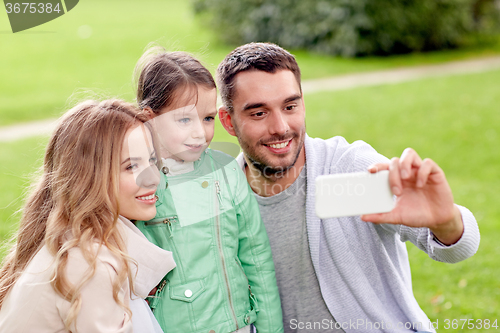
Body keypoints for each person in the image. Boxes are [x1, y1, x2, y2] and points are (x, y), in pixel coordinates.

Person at [217, 42, 480, 333]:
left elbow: (458, 249)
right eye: (258, 113)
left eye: (290, 106)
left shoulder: (348, 168)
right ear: (228, 121)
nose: (280, 127)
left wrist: (446, 222)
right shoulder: (221, 200)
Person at [133, 47, 284, 333]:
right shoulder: (138, 182)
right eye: (184, 120)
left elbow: (257, 258)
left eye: (207, 118)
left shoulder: (226, 171)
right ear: (149, 117)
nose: (201, 133)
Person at [0, 99, 176, 332]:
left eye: (152, 160)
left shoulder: (71, 238)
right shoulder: (89, 264)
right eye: (131, 167)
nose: (153, 178)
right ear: (89, 178)